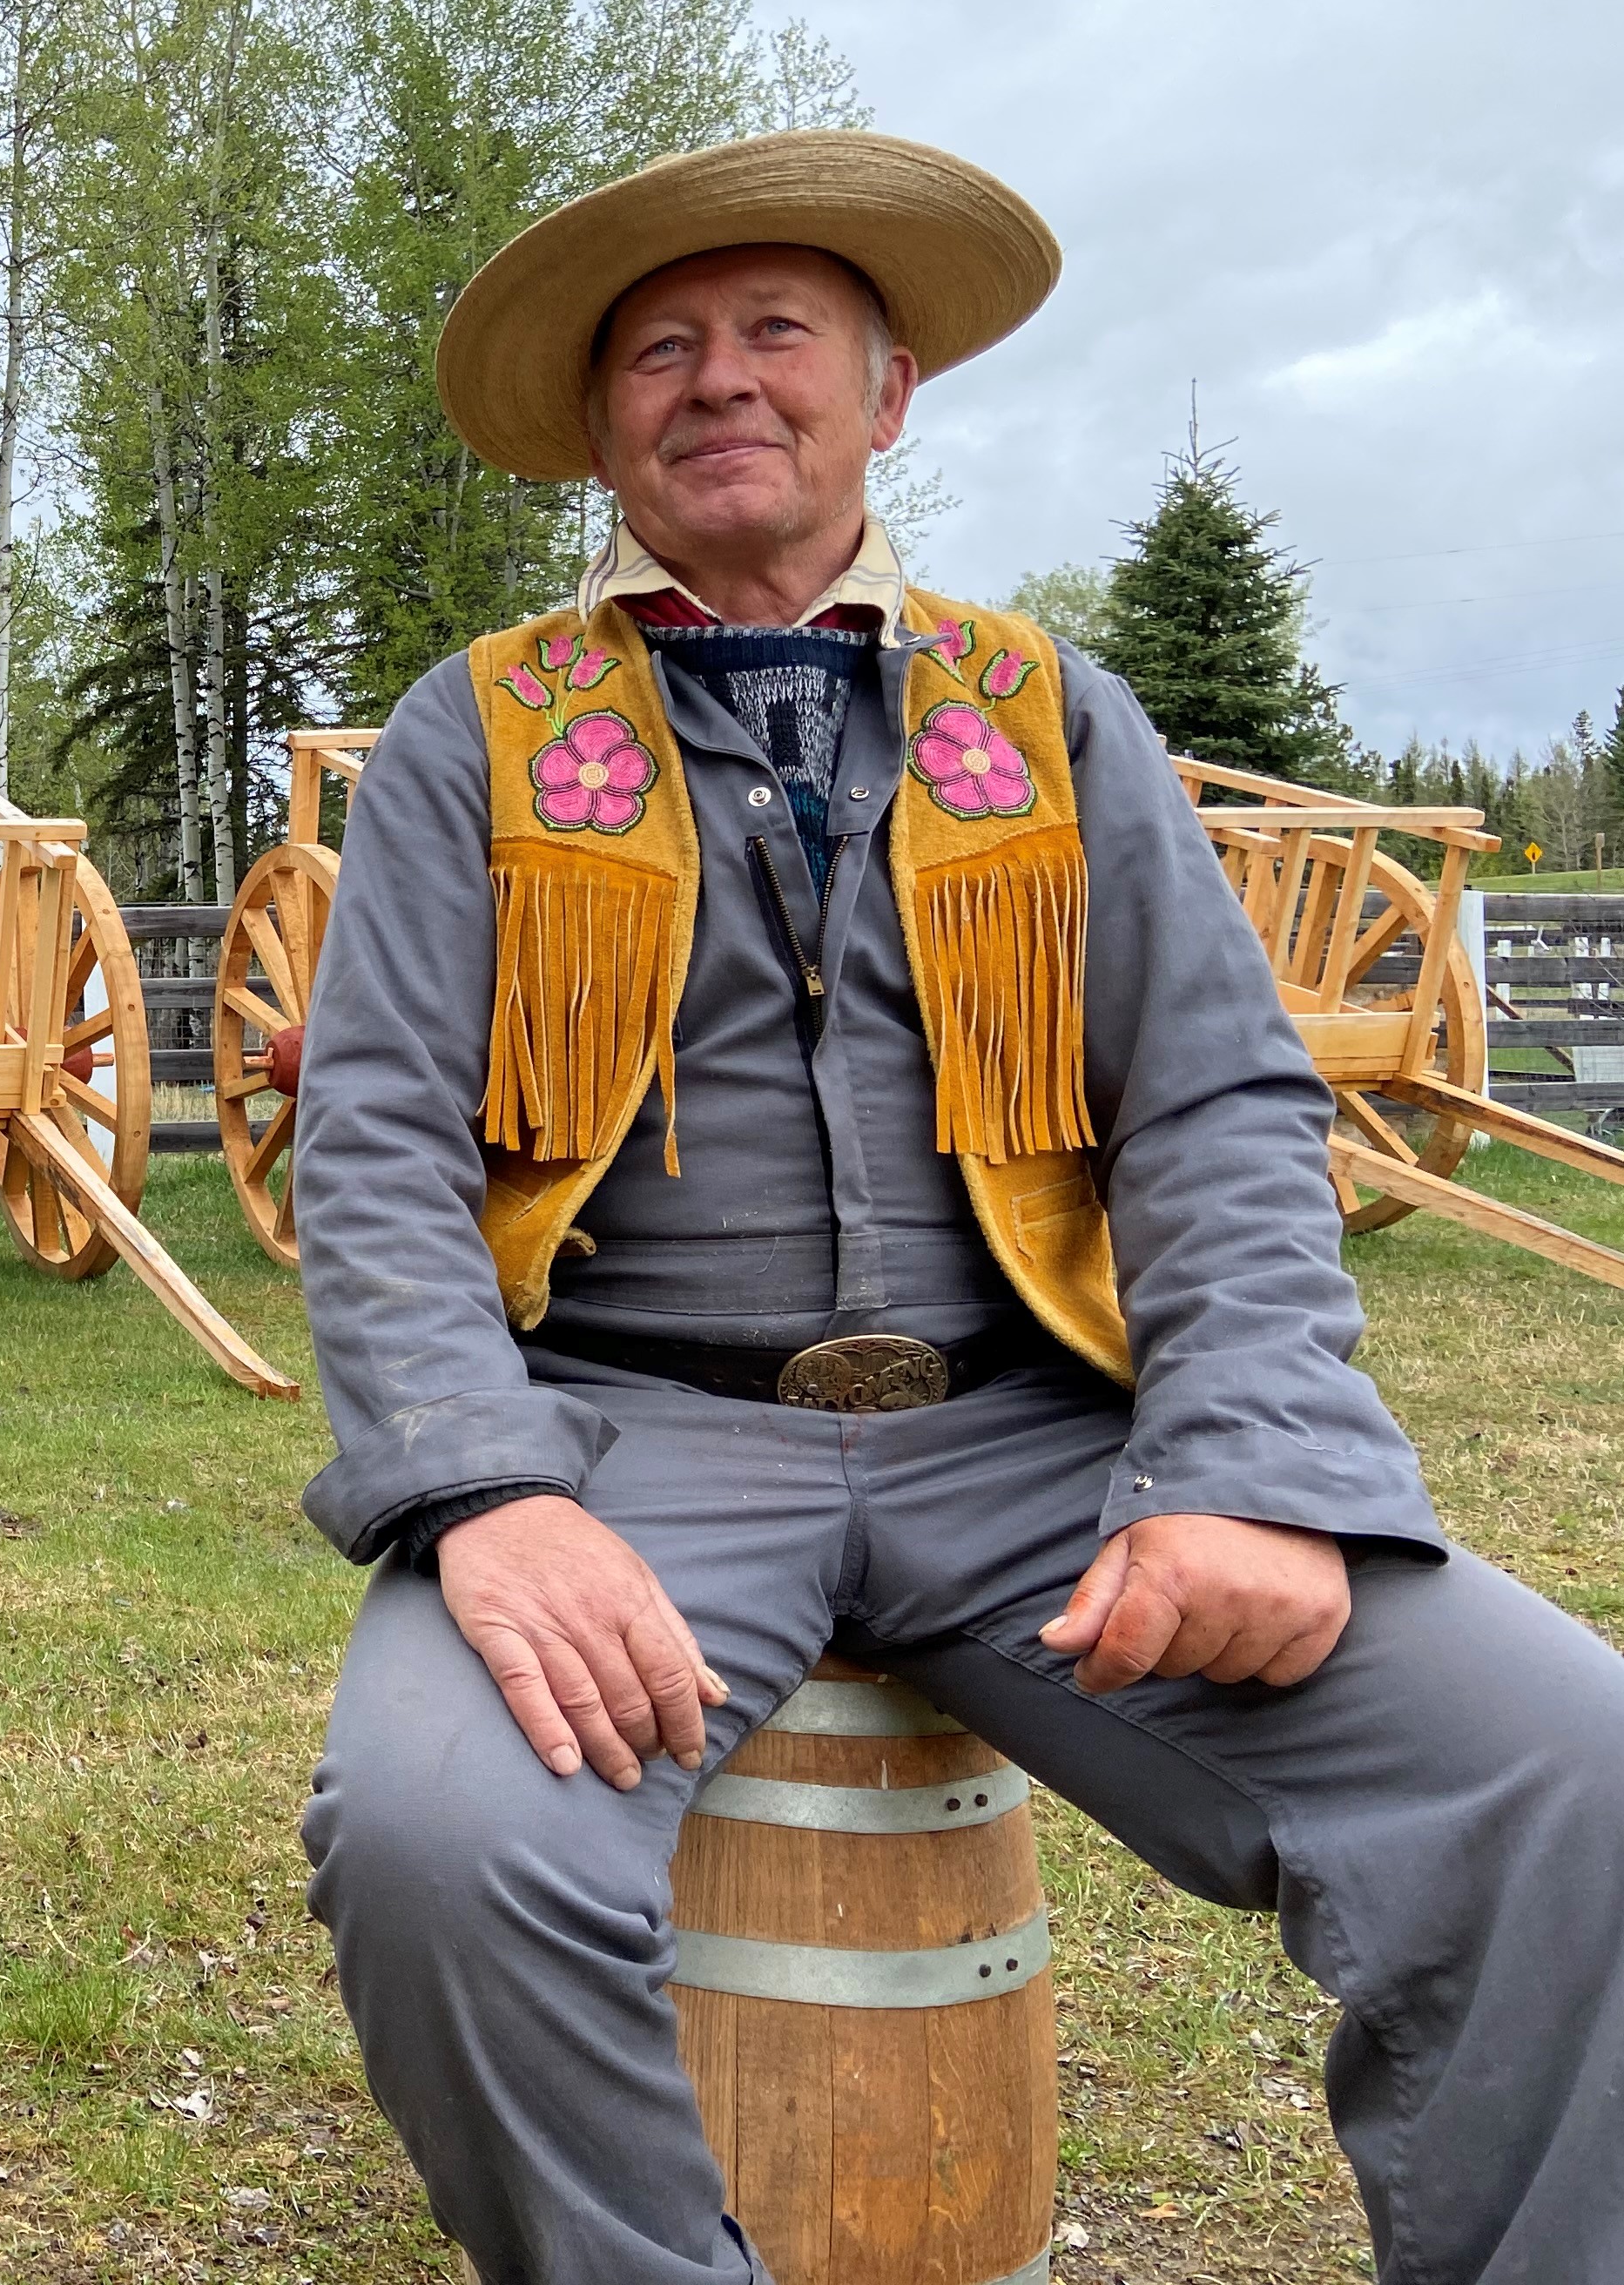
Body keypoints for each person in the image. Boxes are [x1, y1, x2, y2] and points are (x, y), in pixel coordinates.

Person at [290, 129, 1624, 2285]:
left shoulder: (1049, 710)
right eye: (661, 351)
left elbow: (1216, 1101)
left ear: (888, 393)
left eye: (777, 332)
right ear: (604, 429)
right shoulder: (485, 731)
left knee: (1571, 1775)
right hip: (634, 1445)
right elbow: (373, 1141)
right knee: (442, 1842)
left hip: (1039, 1445)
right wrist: (485, 1493)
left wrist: (1251, 1469)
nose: (722, 379)